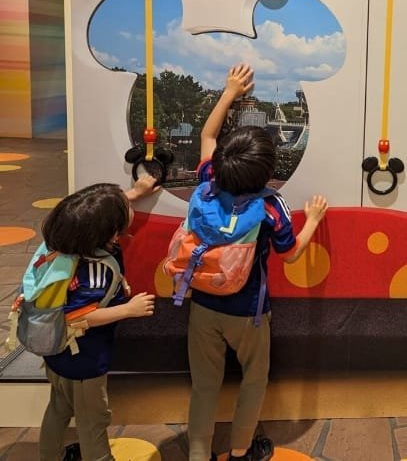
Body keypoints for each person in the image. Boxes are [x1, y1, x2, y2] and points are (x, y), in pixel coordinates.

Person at [187, 64, 328, 461]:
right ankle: (239, 452)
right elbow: (291, 253)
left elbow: (207, 134)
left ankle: (197, 453)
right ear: (268, 172)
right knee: (253, 379)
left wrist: (230, 90)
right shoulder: (270, 205)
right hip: (249, 311)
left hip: (202, 304)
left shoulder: (208, 181)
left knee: (204, 386)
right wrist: (314, 220)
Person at [38, 176, 158, 461]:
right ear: (109, 232)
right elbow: (80, 316)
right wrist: (129, 309)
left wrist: (136, 192)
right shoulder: (94, 271)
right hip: (84, 361)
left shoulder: (64, 247)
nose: (129, 206)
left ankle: (49, 455)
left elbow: (102, 211)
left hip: (56, 353)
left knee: (58, 408)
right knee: (93, 422)